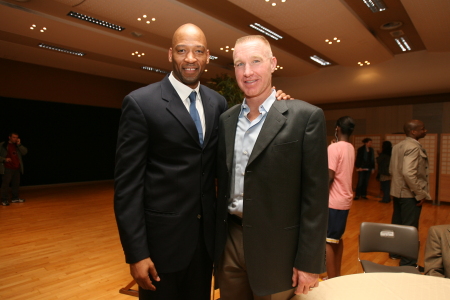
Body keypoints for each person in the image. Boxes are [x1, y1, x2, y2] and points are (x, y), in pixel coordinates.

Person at [114, 24, 289, 300]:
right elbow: (127, 188)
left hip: (206, 245)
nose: (190, 58)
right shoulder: (141, 103)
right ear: (171, 54)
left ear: (207, 56)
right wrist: (136, 253)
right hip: (161, 248)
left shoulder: (217, 103)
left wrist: (275, 105)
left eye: (198, 51)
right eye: (182, 50)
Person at [215, 35, 329, 300]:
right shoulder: (226, 120)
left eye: (256, 61)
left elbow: (315, 198)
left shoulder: (304, 117)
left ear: (273, 63)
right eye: (239, 64)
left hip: (279, 248)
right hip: (231, 239)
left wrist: (310, 263)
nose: (248, 72)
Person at [389, 119, 430, 266]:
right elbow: (408, 173)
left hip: (397, 191)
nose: (425, 131)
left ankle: (394, 252)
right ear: (413, 131)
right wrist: (419, 193)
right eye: (423, 129)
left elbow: (391, 170)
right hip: (409, 194)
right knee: (410, 229)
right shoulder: (414, 147)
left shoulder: (398, 146)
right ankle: (407, 263)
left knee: (397, 224)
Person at [325, 116, 355, 279]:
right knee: (337, 239)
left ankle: (331, 279)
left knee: (328, 241)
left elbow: (329, 177)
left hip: (333, 201)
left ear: (337, 128)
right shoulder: (350, 147)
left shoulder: (333, 149)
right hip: (345, 199)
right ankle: (337, 275)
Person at [1, 132, 28, 206]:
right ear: (9, 137)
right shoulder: (3, 145)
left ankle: (15, 198)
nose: (15, 139)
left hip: (16, 168)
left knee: (16, 184)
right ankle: (4, 199)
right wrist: (4, 159)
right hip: (7, 168)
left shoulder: (17, 145)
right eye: (14, 137)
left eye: (16, 137)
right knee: (5, 185)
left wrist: (19, 144)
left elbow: (25, 152)